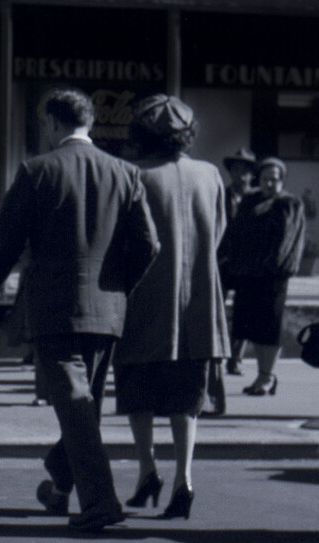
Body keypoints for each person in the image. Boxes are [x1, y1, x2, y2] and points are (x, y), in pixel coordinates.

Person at [0, 87, 160, 532]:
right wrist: (121, 286)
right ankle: (60, 478)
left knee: (75, 403)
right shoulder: (125, 173)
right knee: (84, 406)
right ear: (89, 123)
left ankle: (99, 503)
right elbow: (149, 244)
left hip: (54, 306)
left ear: (54, 124)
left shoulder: (37, 171)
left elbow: (6, 241)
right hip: (107, 307)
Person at [114, 94, 230, 520]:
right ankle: (184, 478)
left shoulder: (133, 175)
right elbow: (217, 232)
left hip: (144, 300)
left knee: (137, 391)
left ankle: (147, 469)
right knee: (187, 398)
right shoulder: (210, 174)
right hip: (198, 300)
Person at [219, 156, 305, 396]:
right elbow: (236, 232)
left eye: (275, 180)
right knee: (252, 329)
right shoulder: (250, 201)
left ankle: (267, 376)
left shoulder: (289, 204)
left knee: (269, 329)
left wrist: (272, 266)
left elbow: (287, 242)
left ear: (282, 181)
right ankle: (261, 376)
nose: (270, 184)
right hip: (248, 276)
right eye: (266, 179)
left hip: (272, 278)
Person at [219, 147, 258, 375]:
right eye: (236, 170)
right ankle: (216, 356)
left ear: (252, 174)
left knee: (245, 313)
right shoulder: (220, 195)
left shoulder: (258, 199)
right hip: (223, 261)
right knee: (218, 310)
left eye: (245, 171)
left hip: (248, 265)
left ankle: (236, 358)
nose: (240, 175)